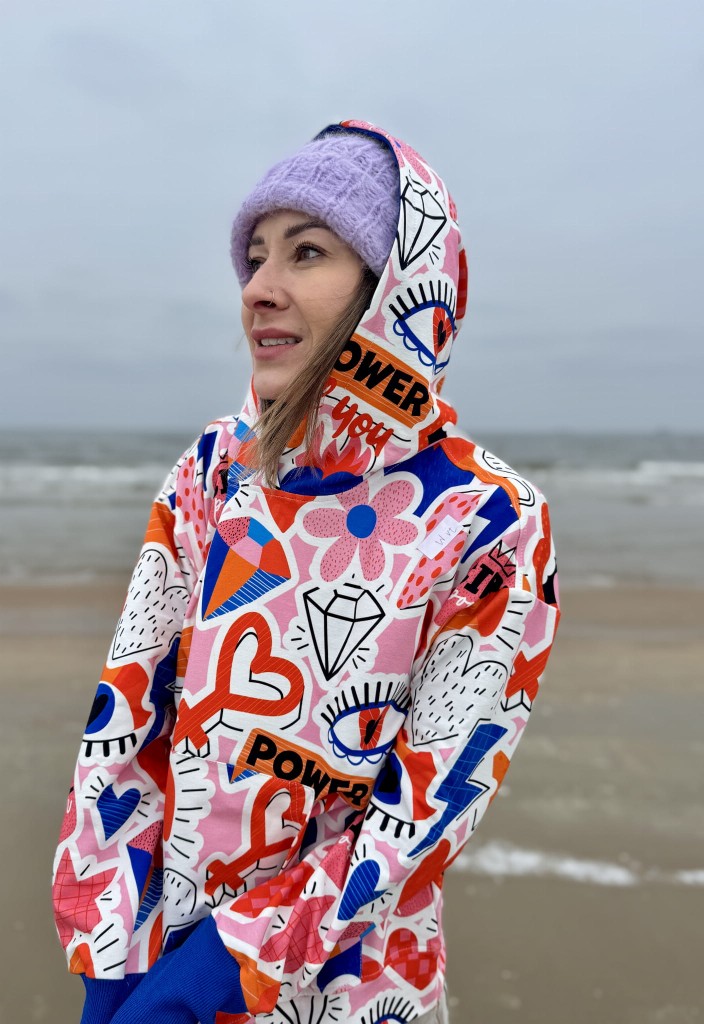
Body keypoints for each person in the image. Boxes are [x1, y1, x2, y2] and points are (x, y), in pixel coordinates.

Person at [52, 119, 560, 1024]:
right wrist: (112, 959)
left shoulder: (490, 518)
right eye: (254, 257)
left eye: (308, 251)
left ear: (395, 285)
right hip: (155, 957)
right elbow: (128, 718)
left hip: (350, 987)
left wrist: (221, 969)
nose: (259, 288)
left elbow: (425, 810)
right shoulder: (217, 470)